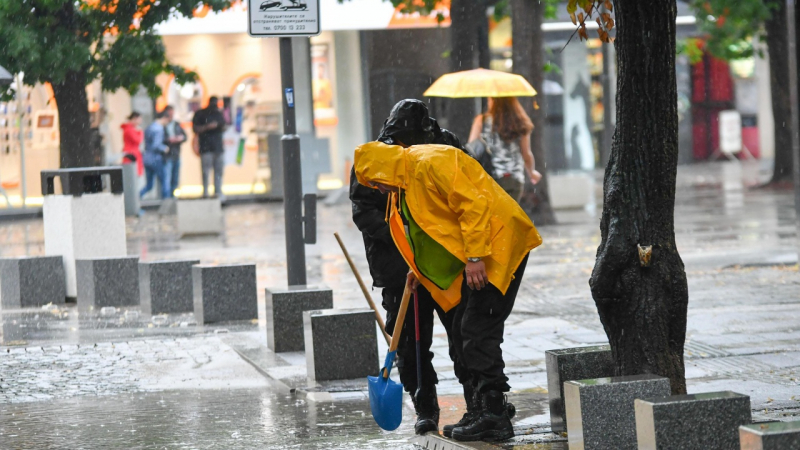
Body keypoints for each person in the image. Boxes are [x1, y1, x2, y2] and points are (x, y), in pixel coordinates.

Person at [354, 138, 542, 442]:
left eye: (376, 181)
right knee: (463, 330)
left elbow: (474, 204)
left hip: (497, 245)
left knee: (477, 330)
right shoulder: (404, 184)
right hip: (481, 251)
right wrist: (420, 271)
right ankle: (484, 409)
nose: (378, 189)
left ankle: (494, 415)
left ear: (383, 168)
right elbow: (429, 230)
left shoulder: (428, 163)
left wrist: (476, 257)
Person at [350, 99, 474, 436]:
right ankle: (425, 405)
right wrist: (403, 240)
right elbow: (363, 210)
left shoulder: (445, 145)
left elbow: (467, 193)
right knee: (410, 342)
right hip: (399, 266)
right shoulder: (377, 155)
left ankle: (479, 402)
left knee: (466, 333)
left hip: (444, 262)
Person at [468, 97, 542, 203]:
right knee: (510, 214)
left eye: (490, 99)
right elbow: (526, 154)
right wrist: (532, 173)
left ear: (493, 100)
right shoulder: (520, 121)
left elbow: (472, 148)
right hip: (515, 178)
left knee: (495, 215)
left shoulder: (482, 120)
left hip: (492, 177)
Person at [192, 96, 226, 199]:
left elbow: (224, 126)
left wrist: (218, 126)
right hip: (206, 147)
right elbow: (195, 128)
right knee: (206, 171)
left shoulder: (219, 114)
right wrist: (207, 127)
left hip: (217, 147)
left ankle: (218, 192)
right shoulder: (201, 113)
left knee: (218, 171)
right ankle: (206, 192)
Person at [139, 112, 171, 199]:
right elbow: (156, 145)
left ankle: (136, 198)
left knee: (149, 184)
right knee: (165, 181)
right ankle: (166, 202)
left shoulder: (150, 127)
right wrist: (164, 148)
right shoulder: (158, 129)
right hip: (156, 158)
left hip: (147, 158)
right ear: (164, 118)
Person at [162, 105, 187, 196]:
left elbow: (185, 136)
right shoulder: (162, 125)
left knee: (175, 177)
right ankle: (166, 198)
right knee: (167, 178)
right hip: (167, 154)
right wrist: (169, 140)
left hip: (176, 153)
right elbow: (160, 139)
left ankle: (172, 196)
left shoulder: (176, 124)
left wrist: (180, 138)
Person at [121, 112, 144, 176]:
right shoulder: (129, 129)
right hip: (131, 153)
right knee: (131, 173)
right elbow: (138, 140)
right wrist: (140, 132)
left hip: (132, 152)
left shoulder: (130, 128)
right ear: (134, 119)